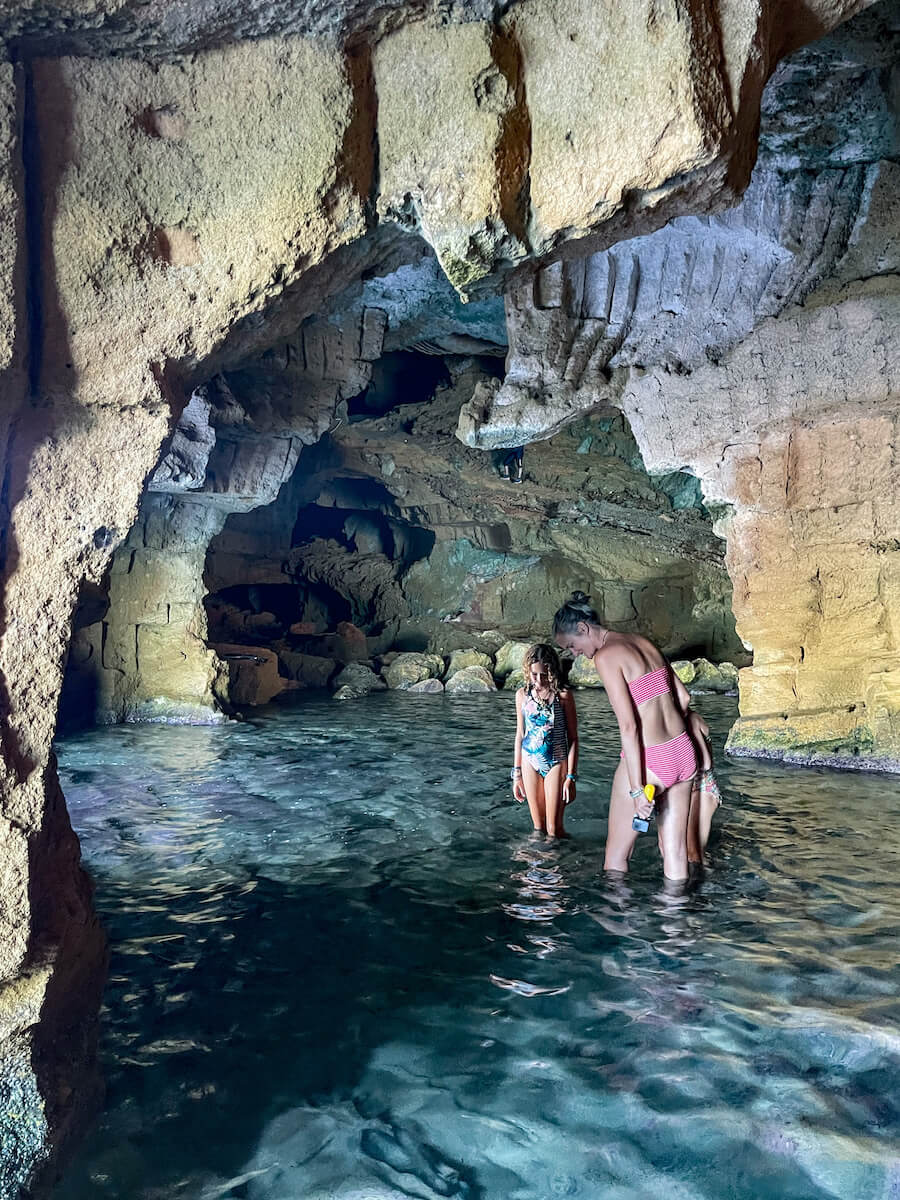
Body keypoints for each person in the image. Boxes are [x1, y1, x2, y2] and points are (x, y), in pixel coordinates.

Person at [553, 591, 705, 882]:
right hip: (683, 752)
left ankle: (618, 912)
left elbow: (629, 727)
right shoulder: (643, 642)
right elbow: (684, 698)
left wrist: (637, 790)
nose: (574, 653)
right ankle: (679, 912)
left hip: (651, 760)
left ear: (583, 628)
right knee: (674, 853)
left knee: (616, 858)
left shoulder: (606, 656)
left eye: (571, 645)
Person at [511, 644, 579, 837]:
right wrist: (516, 775)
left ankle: (567, 855)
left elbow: (573, 738)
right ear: (528, 671)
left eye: (544, 675)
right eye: (534, 675)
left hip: (556, 761)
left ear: (552, 671)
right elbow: (520, 734)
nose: (539, 680)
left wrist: (571, 777)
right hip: (529, 761)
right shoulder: (522, 695)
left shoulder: (563, 696)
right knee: (538, 828)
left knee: (553, 829)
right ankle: (537, 857)